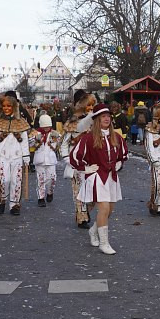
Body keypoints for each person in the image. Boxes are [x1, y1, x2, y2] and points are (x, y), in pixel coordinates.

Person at [69, 104, 128, 254]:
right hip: (96, 177)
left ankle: (93, 231)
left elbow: (123, 155)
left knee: (109, 210)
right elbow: (75, 156)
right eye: (103, 116)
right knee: (103, 208)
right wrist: (86, 168)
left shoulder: (117, 137)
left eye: (108, 116)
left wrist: (119, 164)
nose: (107, 118)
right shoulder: (88, 138)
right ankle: (104, 242)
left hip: (111, 177)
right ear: (96, 120)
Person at [0, 93, 32, 215]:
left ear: (14, 107)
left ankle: (15, 205)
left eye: (9, 106)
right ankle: (2, 200)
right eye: (4, 106)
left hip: (17, 156)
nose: (6, 108)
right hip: (3, 156)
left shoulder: (20, 122)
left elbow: (24, 141)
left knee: (16, 181)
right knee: (4, 180)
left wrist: (26, 156)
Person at [59, 91, 96, 228]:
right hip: (77, 162)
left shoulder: (95, 121)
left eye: (92, 105)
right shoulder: (72, 122)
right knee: (79, 190)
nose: (90, 108)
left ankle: (85, 212)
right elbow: (63, 143)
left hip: (93, 161)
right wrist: (68, 160)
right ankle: (82, 217)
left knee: (93, 190)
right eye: (88, 105)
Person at [32, 113, 61, 208]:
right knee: (41, 180)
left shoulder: (54, 134)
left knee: (52, 179)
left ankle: (50, 192)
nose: (46, 128)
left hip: (51, 160)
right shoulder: (36, 134)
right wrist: (35, 140)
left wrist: (56, 140)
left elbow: (60, 143)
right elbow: (29, 144)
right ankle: (41, 198)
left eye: (48, 126)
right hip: (39, 160)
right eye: (44, 127)